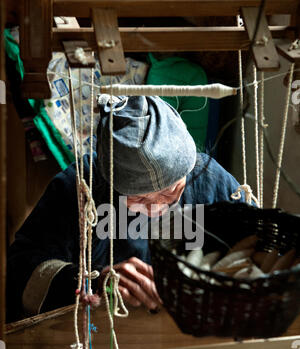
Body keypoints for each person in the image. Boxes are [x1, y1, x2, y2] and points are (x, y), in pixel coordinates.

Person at [6, 95, 245, 322]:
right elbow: (21, 268)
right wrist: (95, 283)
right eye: (139, 198)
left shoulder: (210, 180)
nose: (156, 206)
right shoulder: (82, 187)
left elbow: (255, 251)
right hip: (102, 332)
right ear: (109, 180)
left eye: (171, 191)